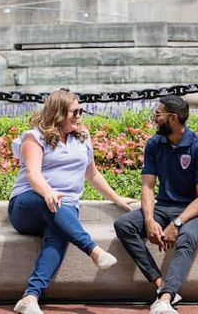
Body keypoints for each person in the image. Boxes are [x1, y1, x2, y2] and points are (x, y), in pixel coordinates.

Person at [10, 89, 136, 314]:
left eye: (80, 111)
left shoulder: (82, 137)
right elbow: (32, 173)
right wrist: (47, 192)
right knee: (51, 204)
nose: (79, 115)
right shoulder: (34, 137)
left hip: (62, 209)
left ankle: (30, 297)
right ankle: (93, 251)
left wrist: (117, 198)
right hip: (27, 205)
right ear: (58, 113)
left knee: (58, 234)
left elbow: (92, 174)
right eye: (74, 112)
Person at [114, 95, 198, 314]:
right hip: (162, 207)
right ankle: (161, 284)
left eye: (158, 114)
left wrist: (177, 223)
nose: (154, 118)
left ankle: (165, 299)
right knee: (124, 225)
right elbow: (148, 186)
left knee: (187, 237)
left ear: (173, 118)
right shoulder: (154, 144)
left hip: (193, 211)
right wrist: (149, 220)